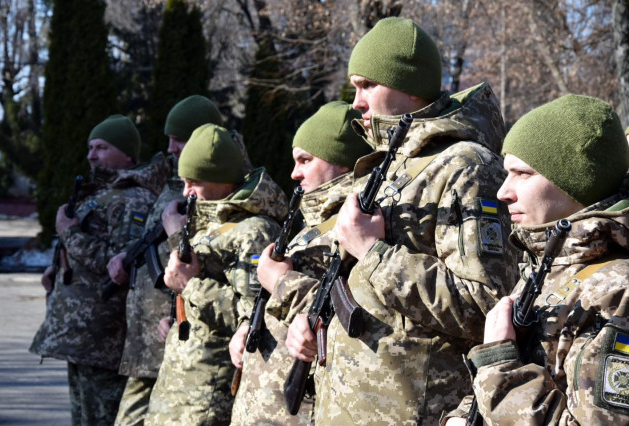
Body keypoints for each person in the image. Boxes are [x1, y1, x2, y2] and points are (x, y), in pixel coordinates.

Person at [285, 17, 518, 424]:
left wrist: (373, 253)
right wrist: (313, 323)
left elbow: (486, 305)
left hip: (414, 412)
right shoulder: (389, 166)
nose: (356, 102)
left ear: (410, 86)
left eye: (367, 86)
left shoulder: (465, 167)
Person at [444, 94, 629, 425]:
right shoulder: (550, 262)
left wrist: (498, 365)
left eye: (522, 173)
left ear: (574, 182)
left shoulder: (618, 289)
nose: (503, 192)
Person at [228, 101, 372, 425]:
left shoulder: (356, 228)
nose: (294, 173)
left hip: (299, 412)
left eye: (305, 160)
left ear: (341, 160)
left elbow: (354, 319)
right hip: (260, 408)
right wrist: (246, 325)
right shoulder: (312, 225)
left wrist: (281, 281)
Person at [144, 123, 288, 425]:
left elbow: (255, 318)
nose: (186, 192)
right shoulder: (208, 220)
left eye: (194, 182)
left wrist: (191, 287)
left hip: (209, 391)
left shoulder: (254, 232)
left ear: (221, 180)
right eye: (184, 182)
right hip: (179, 384)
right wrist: (179, 317)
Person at [30, 114, 165, 425]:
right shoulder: (103, 193)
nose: (92, 155)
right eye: (90, 147)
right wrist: (58, 269)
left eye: (102, 147)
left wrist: (69, 233)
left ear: (127, 154)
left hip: (103, 336)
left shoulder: (133, 199)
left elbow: (122, 263)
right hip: (82, 337)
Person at [107, 95, 223, 426]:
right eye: (169, 139)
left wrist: (175, 235)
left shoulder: (217, 188)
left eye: (179, 140)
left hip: (180, 334)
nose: (170, 148)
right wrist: (127, 253)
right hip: (147, 337)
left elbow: (209, 261)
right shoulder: (174, 186)